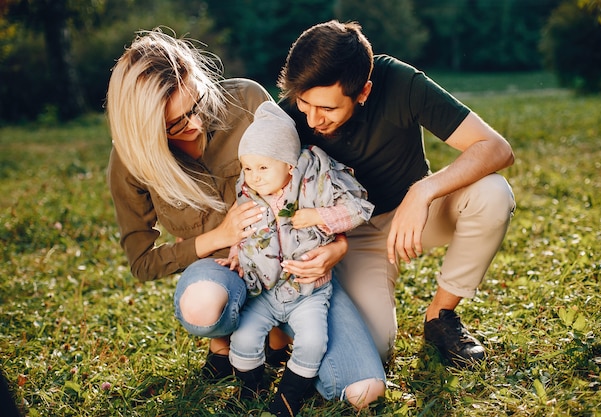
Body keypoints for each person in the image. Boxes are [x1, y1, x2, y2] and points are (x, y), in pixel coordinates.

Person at [105, 28, 385, 410]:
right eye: (173, 123)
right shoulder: (129, 162)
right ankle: (226, 344)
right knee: (202, 304)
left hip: (299, 274)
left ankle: (278, 341)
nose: (195, 124)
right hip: (228, 272)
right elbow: (141, 262)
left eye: (196, 105)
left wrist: (337, 245)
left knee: (362, 390)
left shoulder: (248, 100)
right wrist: (220, 235)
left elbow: (308, 176)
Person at [277, 20, 516, 368]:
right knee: (374, 352)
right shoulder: (289, 118)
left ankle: (440, 316)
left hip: (416, 216)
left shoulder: (400, 82)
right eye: (304, 103)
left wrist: (422, 191)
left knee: (493, 193)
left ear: (363, 91)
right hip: (349, 237)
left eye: (328, 109)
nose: (313, 120)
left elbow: (496, 148)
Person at [216, 101, 374, 415]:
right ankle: (250, 388)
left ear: (289, 165)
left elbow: (359, 210)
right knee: (245, 339)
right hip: (263, 290)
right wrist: (236, 256)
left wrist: (320, 216)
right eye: (248, 168)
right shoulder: (249, 195)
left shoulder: (314, 185)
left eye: (263, 168)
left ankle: (288, 397)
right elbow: (245, 235)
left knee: (313, 341)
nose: (255, 177)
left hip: (310, 291)